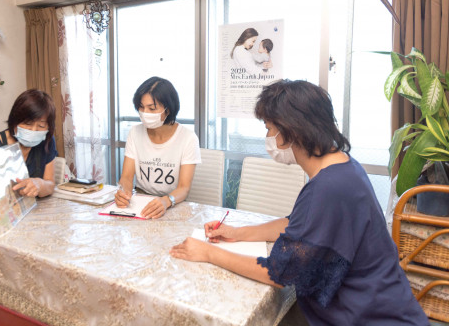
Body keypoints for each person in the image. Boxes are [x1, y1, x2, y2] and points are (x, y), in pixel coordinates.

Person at [170, 80, 428, 325]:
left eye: (269, 129)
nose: (268, 137)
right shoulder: (343, 167)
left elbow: (278, 273)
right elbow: (298, 225)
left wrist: (208, 253)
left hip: (366, 317)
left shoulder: (328, 188)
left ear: (291, 130)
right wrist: (237, 233)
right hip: (381, 304)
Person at [0, 89, 58, 243]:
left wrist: (39, 184)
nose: (33, 130)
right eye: (27, 124)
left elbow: (50, 184)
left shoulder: (46, 142)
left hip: (22, 218)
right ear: (14, 121)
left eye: (41, 126)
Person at [114, 76, 201, 219]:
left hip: (172, 203)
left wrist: (166, 201)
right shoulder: (135, 132)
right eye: (141, 107)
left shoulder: (188, 138)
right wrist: (124, 192)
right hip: (140, 202)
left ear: (168, 109)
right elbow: (127, 177)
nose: (145, 113)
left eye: (152, 108)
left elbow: (184, 187)